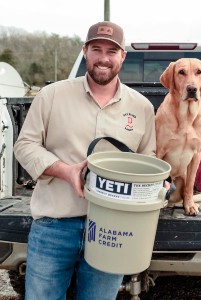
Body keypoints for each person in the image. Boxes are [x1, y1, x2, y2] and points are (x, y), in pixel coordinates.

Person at [14, 21, 156, 300]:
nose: (103, 58)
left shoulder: (142, 107)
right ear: (85, 52)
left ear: (122, 56)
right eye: (96, 49)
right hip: (55, 226)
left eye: (111, 51)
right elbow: (25, 145)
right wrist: (65, 171)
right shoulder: (52, 95)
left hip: (114, 231)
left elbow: (147, 161)